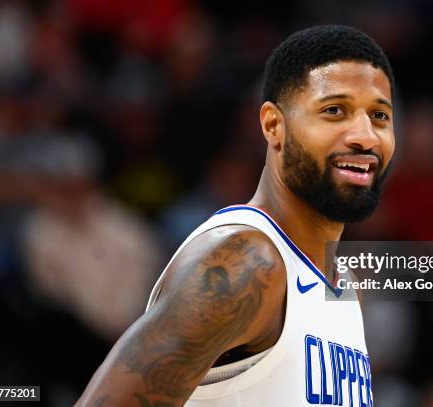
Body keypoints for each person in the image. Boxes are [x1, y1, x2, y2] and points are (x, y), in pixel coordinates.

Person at [77, 24, 396, 407]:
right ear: (273, 125)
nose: (365, 136)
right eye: (334, 110)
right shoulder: (244, 263)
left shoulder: (345, 288)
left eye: (379, 116)